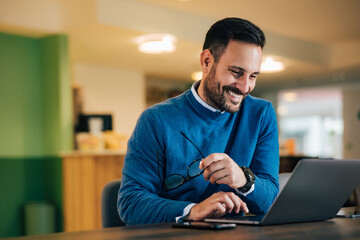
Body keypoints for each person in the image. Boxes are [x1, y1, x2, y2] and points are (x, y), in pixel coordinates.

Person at [118, 17, 279, 224]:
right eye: (236, 72)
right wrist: (192, 211)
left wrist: (243, 179)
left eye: (253, 76)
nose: (244, 86)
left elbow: (271, 200)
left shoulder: (261, 114)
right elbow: (131, 203)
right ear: (206, 61)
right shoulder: (156, 120)